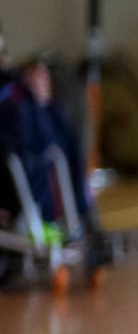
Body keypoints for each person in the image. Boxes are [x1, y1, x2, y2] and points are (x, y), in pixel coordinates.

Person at [0, 55, 110, 265]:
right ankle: (74, 216)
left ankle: (80, 215)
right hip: (30, 190)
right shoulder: (14, 97)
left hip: (42, 190)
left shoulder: (19, 96)